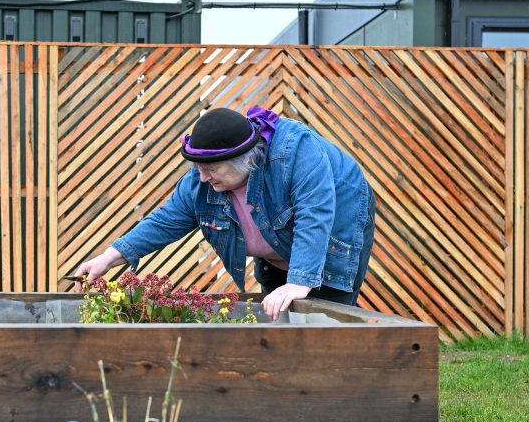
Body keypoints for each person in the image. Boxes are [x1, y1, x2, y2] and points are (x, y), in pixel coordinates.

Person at [74, 107, 376, 320]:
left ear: (244, 160)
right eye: (198, 169)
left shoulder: (296, 152)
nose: (203, 177)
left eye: (211, 169)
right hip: (279, 255)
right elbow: (164, 220)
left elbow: (315, 213)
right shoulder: (201, 182)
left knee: (324, 324)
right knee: (278, 320)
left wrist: (300, 280)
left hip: (336, 232)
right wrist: (106, 259)